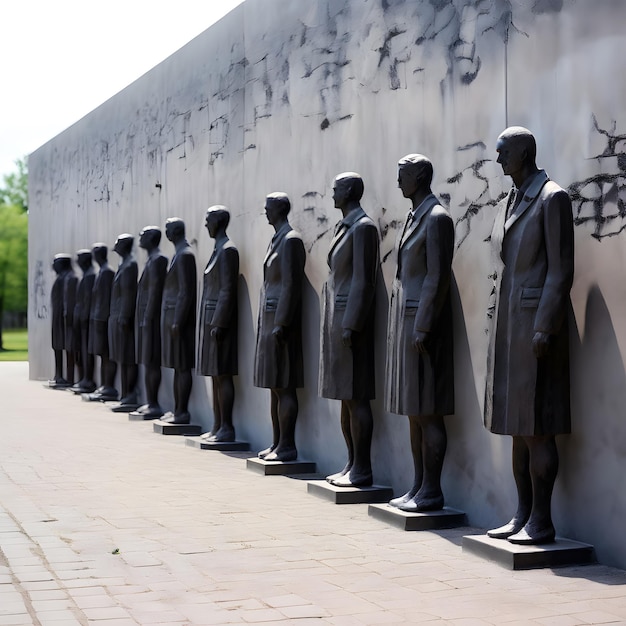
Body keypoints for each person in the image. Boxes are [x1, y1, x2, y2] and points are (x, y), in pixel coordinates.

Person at [485, 126, 574, 545]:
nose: (499, 159)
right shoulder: (511, 199)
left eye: (504, 153)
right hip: (510, 325)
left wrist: (544, 326)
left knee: (538, 426)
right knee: (517, 426)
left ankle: (542, 519)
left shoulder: (552, 197)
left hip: (536, 326)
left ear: (524, 152)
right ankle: (521, 513)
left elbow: (560, 270)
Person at [385, 154, 455, 512]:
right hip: (407, 321)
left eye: (403, 175)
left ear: (421, 176)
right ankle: (418, 485)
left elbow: (436, 276)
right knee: (414, 411)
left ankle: (432, 490)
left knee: (428, 411)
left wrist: (424, 324)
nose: (398, 181)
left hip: (424, 327)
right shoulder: (415, 215)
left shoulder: (437, 218)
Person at [319, 172, 379, 487]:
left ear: (350, 191)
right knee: (344, 397)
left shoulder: (364, 228)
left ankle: (362, 468)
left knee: (356, 398)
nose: (332, 193)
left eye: (336, 188)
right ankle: (351, 462)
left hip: (350, 325)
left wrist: (352, 322)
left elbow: (363, 280)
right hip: (337, 321)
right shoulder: (345, 227)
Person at [253, 193, 305, 461]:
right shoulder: (277, 239)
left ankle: (287, 446)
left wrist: (282, 322)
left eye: (267, 207)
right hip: (270, 320)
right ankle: (277, 443)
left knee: (284, 386)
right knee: (274, 386)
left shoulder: (290, 240)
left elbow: (291, 284)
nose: (264, 211)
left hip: (281, 324)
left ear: (279, 209)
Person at [198, 206, 240, 442]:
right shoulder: (218, 249)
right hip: (211, 321)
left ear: (218, 221)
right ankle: (217, 425)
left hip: (219, 324)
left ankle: (227, 427)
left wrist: (219, 323)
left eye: (207, 220)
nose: (205, 225)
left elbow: (227, 289)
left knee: (222, 375)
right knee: (214, 375)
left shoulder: (228, 250)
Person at [160, 218, 197, 424]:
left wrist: (177, 321)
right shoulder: (179, 254)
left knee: (182, 367)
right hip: (174, 320)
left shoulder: (185, 255)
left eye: (168, 230)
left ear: (175, 231)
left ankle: (182, 412)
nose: (166, 234)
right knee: (177, 367)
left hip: (180, 323)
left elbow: (185, 292)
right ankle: (177, 410)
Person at [134, 226, 168, 418]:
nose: (140, 237)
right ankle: (150, 401)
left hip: (151, 320)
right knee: (147, 362)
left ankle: (154, 403)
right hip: (145, 319)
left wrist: (147, 317)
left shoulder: (158, 260)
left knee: (152, 361)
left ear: (151, 238)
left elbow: (155, 291)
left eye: (143, 234)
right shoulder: (151, 260)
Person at [109, 234, 139, 408]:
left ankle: (130, 393)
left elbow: (129, 292)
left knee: (127, 357)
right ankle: (124, 393)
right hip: (117, 317)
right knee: (121, 357)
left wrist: (124, 315)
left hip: (123, 318)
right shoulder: (123, 264)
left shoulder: (130, 264)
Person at [88, 244, 117, 400]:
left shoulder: (107, 272)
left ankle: (108, 386)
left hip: (103, 320)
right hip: (97, 318)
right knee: (102, 354)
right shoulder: (102, 271)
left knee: (106, 354)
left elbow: (106, 298)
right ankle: (104, 385)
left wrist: (101, 318)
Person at [49, 254, 76, 387]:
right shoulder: (61, 278)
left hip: (64, 318)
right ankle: (58, 375)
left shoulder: (69, 278)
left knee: (67, 346)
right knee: (57, 346)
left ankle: (68, 377)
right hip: (57, 317)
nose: (53, 266)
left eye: (55, 263)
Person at [71, 249, 96, 392]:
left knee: (87, 351)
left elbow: (88, 300)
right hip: (80, 320)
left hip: (85, 321)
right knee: (81, 351)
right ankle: (84, 379)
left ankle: (88, 380)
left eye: (79, 259)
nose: (77, 262)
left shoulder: (90, 276)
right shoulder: (86, 275)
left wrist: (83, 317)